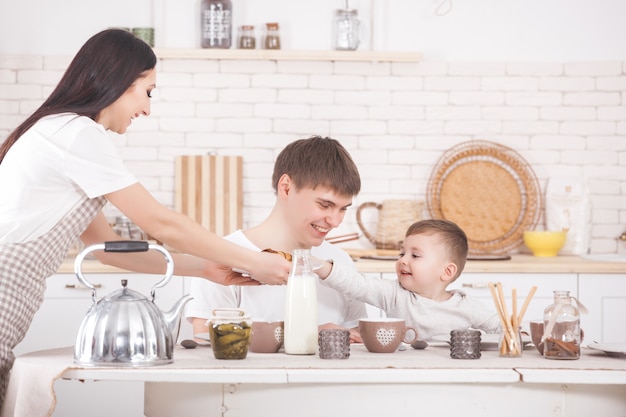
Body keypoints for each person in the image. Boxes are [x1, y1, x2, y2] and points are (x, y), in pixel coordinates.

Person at [0, 29, 291, 404]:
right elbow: (162, 224)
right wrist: (252, 260)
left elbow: (108, 250)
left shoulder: (62, 133)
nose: (148, 109)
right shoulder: (79, 135)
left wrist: (205, 268)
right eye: (148, 92)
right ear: (118, 80)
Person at [186, 136, 368, 342]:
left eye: (343, 209)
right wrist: (305, 335)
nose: (335, 221)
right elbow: (206, 343)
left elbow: (358, 340)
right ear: (286, 187)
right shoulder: (225, 257)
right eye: (324, 205)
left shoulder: (338, 262)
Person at [315, 219, 501, 342]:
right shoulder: (394, 294)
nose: (403, 260)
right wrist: (317, 265)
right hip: (401, 374)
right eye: (402, 253)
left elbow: (505, 328)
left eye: (415, 255)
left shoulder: (466, 306)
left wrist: (520, 335)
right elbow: (356, 284)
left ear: (447, 271)